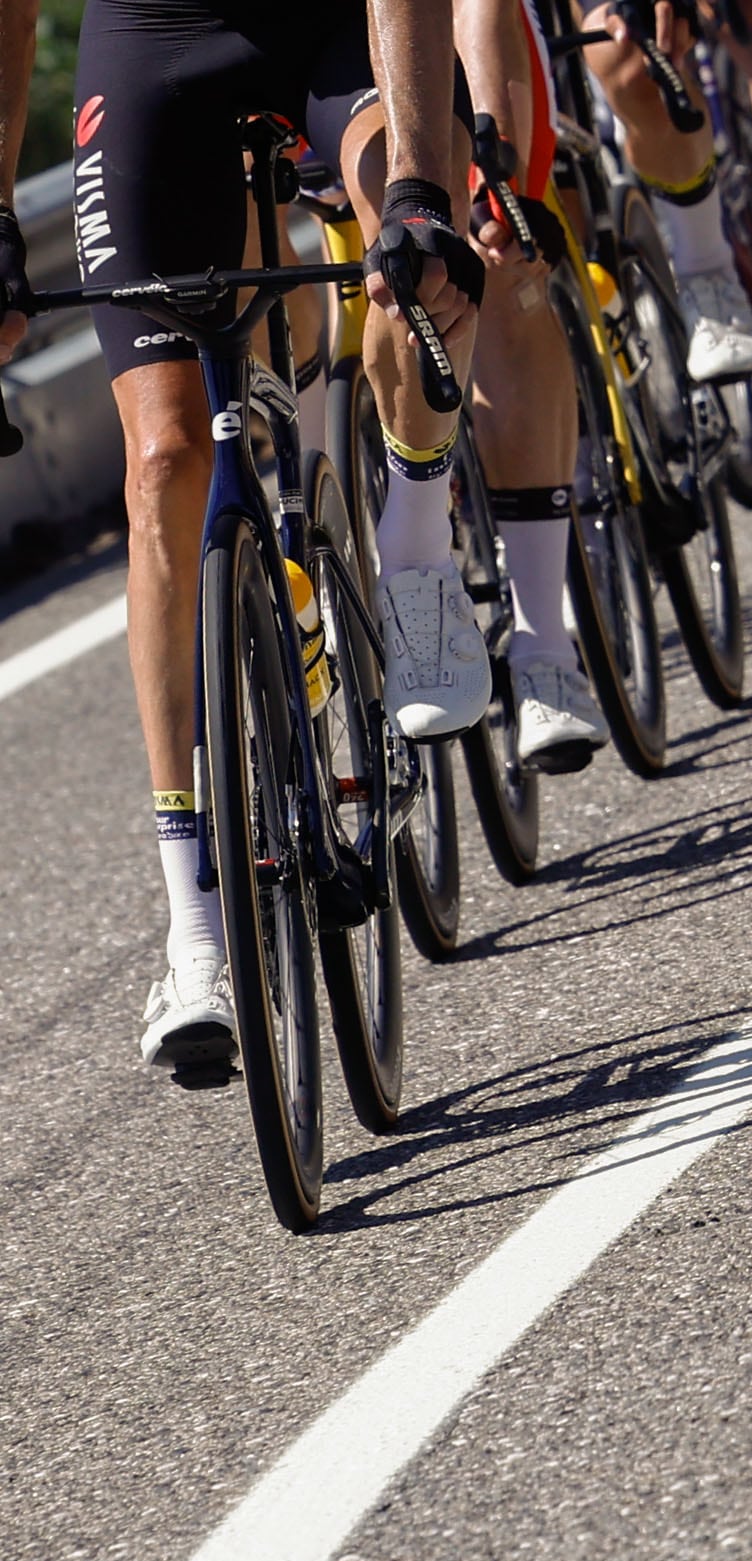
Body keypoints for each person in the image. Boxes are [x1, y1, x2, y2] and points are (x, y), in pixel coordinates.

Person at [0, 0, 489, 1072]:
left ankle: (415, 563)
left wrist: (414, 191)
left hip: (331, 31)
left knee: (424, 272)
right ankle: (196, 931)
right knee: (167, 460)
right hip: (156, 34)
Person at [456, 0, 611, 773]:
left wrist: (495, 162)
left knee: (499, 258)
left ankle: (545, 647)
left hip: (464, 38)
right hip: (325, 72)